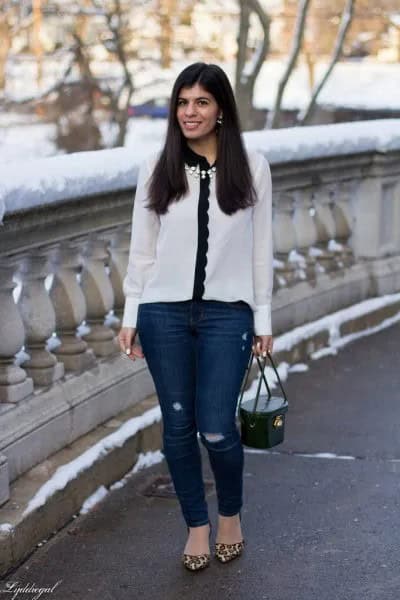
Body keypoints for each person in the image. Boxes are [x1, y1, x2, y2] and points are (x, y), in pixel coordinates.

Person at [118, 62, 273, 572]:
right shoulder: (156, 167)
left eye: (201, 102)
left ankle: (230, 513)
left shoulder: (252, 167)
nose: (190, 112)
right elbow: (142, 249)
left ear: (221, 109)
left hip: (228, 316)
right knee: (179, 426)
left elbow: (260, 249)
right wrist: (132, 313)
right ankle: (197, 526)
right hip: (163, 314)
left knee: (217, 428)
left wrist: (263, 317)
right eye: (183, 102)